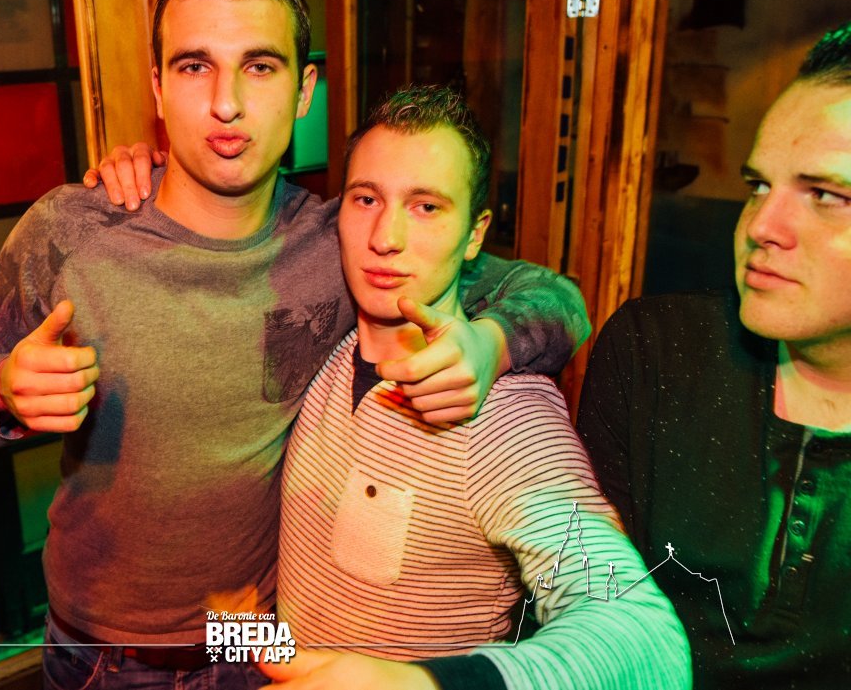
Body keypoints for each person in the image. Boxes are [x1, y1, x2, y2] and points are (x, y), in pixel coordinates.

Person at [0, 0, 588, 690]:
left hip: (254, 642)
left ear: (304, 90)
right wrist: (3, 391)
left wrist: (491, 344)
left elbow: (559, 299)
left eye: (259, 66)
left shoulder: (345, 242)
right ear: (157, 87)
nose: (226, 103)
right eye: (194, 66)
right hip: (99, 653)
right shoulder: (71, 229)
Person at [258, 86, 688, 690]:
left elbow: (646, 639)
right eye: (366, 199)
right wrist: (236, 638)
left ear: (475, 234)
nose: (385, 236)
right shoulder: (324, 354)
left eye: (426, 207)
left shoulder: (506, 418)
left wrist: (425, 687)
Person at [576, 22, 851, 689]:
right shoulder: (656, 353)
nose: (761, 226)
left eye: (826, 196)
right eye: (757, 185)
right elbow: (587, 616)